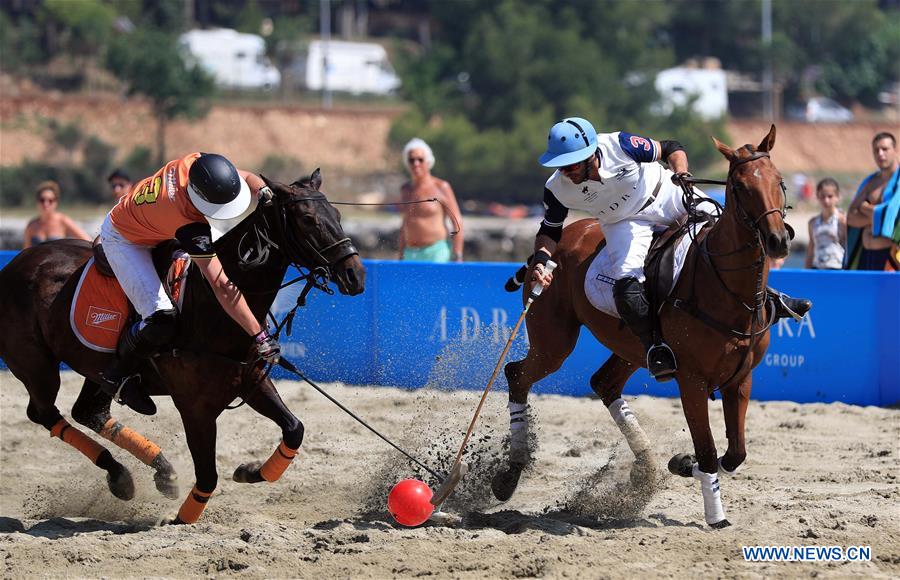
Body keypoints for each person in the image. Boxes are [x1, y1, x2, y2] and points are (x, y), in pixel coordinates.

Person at [528, 117, 811, 381]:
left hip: (667, 193)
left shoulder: (619, 145)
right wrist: (541, 261)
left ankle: (772, 298)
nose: (565, 171)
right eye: (560, 165)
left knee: (734, 233)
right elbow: (550, 230)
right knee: (627, 285)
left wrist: (681, 172)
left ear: (591, 154)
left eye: (571, 165)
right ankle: (655, 348)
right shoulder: (556, 188)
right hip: (624, 222)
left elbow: (672, 148)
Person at [98, 152, 281, 415]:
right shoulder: (187, 224)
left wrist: (263, 191)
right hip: (125, 239)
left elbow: (247, 177)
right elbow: (221, 285)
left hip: (154, 220)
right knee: (161, 318)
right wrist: (260, 336)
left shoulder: (197, 163)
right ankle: (116, 376)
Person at [397, 138, 464, 262]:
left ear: (428, 161)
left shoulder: (441, 187)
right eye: (412, 160)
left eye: (420, 159)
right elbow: (404, 224)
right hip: (410, 253)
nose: (416, 163)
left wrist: (458, 255)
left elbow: (457, 222)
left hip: (437, 252)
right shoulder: (405, 189)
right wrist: (400, 255)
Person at [845, 132, 900, 271]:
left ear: (895, 150)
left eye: (885, 149)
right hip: (866, 256)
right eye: (876, 150)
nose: (880, 154)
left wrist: (865, 208)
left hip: (892, 257)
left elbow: (896, 220)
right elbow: (851, 217)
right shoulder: (870, 182)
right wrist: (880, 218)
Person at [22, 181, 91, 249]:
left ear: (56, 202)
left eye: (50, 200)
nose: (46, 204)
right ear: (37, 201)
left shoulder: (63, 221)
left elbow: (88, 242)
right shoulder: (31, 226)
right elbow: (24, 253)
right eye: (42, 200)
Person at [805, 178, 846, 270]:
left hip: (837, 269)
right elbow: (811, 251)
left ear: (837, 197)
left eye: (830, 196)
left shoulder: (842, 220)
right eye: (822, 196)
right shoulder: (813, 223)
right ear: (817, 197)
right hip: (817, 269)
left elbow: (848, 248)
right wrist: (806, 274)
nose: (826, 200)